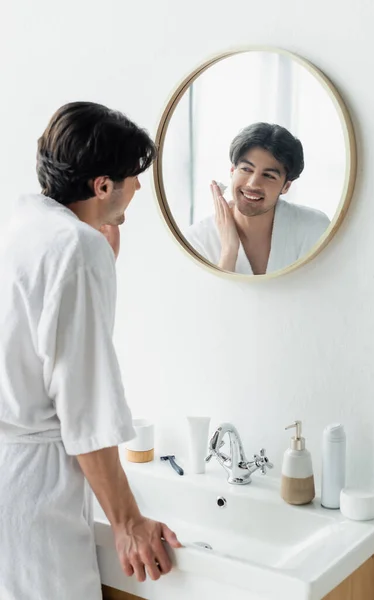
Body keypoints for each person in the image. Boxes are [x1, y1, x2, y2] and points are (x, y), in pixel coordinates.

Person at [0, 102, 181, 600]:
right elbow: (84, 403)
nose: (139, 187)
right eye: (131, 177)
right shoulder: (77, 249)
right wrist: (126, 522)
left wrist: (99, 262)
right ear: (103, 186)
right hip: (35, 495)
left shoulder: (26, 230)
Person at [185, 122, 330, 275]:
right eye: (246, 169)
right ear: (232, 171)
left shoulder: (314, 228)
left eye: (269, 175)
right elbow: (207, 299)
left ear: (286, 186)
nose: (253, 184)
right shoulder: (197, 239)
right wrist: (229, 250)